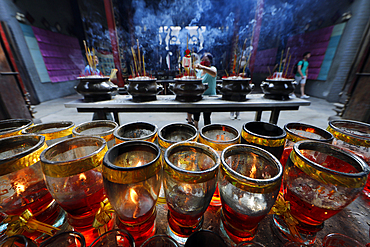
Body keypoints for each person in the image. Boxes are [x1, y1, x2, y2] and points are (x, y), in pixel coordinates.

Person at [187, 53, 217, 129]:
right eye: (202, 60)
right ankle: (196, 130)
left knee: (206, 116)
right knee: (196, 115)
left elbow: (213, 73)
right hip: (200, 97)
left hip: (210, 98)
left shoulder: (212, 68)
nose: (203, 61)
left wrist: (202, 67)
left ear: (210, 61)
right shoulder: (199, 72)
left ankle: (206, 132)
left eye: (206, 60)